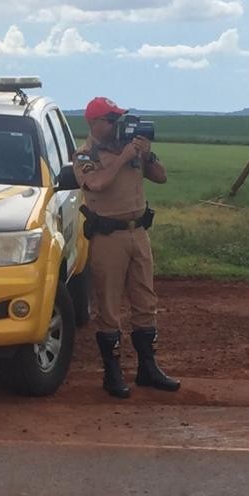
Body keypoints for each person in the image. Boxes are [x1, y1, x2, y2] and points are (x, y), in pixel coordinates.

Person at [73, 96, 180, 398]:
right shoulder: (85, 155)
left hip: (138, 232)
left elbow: (161, 177)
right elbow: (96, 184)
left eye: (117, 119)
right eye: (110, 120)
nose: (116, 125)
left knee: (145, 301)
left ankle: (148, 368)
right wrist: (122, 159)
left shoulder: (131, 149)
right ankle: (112, 374)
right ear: (94, 123)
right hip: (109, 237)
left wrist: (147, 155)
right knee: (109, 305)